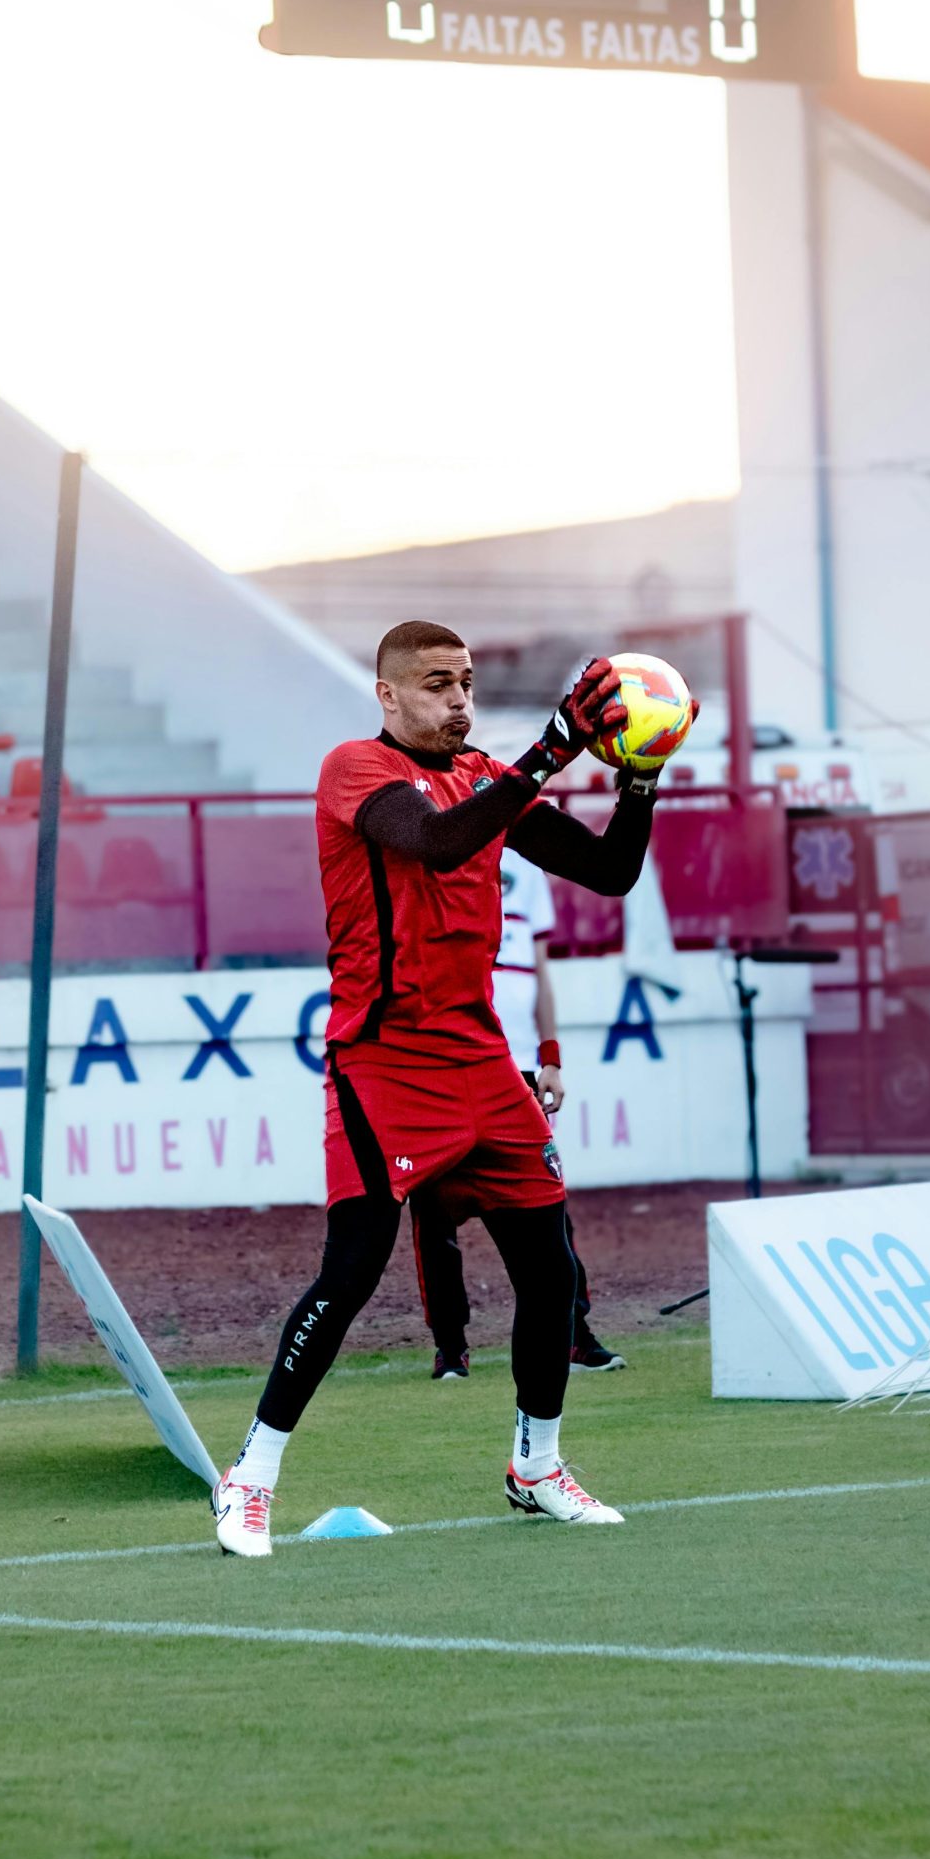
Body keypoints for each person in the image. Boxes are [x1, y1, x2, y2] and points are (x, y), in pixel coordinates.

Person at [211, 623, 674, 1558]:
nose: (457, 700)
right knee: (350, 1275)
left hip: (482, 1060)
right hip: (381, 1061)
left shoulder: (484, 774)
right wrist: (551, 751)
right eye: (435, 685)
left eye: (464, 683)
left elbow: (610, 872)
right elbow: (432, 844)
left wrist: (640, 774)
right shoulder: (354, 769)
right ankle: (249, 1478)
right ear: (389, 696)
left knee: (553, 1272)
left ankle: (536, 1467)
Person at [413, 846, 624, 1380]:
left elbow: (540, 970)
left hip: (520, 1071)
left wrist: (549, 1057)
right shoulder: (432, 844)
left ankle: (574, 1336)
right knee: (433, 1215)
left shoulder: (528, 864)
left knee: (548, 1208)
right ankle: (450, 1348)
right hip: (445, 1067)